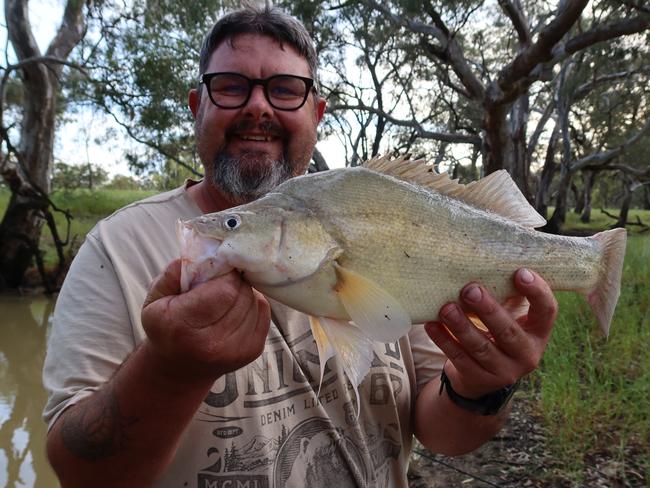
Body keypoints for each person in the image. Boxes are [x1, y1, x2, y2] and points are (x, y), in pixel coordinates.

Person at [43, 5, 557, 487]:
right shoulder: (118, 247)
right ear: (198, 107)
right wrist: (169, 371)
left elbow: (442, 432)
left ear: (317, 112)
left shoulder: (386, 217)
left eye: (285, 90)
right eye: (230, 87)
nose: (258, 107)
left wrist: (482, 387)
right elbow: (78, 472)